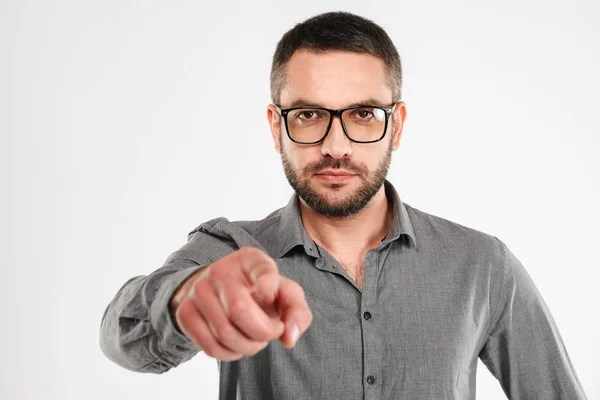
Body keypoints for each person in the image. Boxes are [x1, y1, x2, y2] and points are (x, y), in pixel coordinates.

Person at [99, 11, 587, 400]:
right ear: (276, 126)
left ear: (396, 126)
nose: (337, 145)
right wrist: (185, 300)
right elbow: (123, 336)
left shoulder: (482, 265)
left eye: (363, 113)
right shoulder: (231, 253)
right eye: (309, 115)